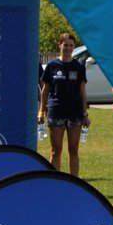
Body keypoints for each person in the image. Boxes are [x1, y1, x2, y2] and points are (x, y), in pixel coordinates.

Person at [38, 32, 89, 176]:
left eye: (71, 46)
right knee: (56, 150)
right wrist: (41, 111)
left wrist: (85, 114)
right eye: (65, 45)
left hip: (75, 113)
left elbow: (82, 92)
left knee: (73, 149)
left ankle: (74, 183)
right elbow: (45, 90)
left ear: (74, 48)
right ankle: (55, 182)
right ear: (60, 45)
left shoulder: (79, 67)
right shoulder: (52, 66)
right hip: (56, 111)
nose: (68, 48)